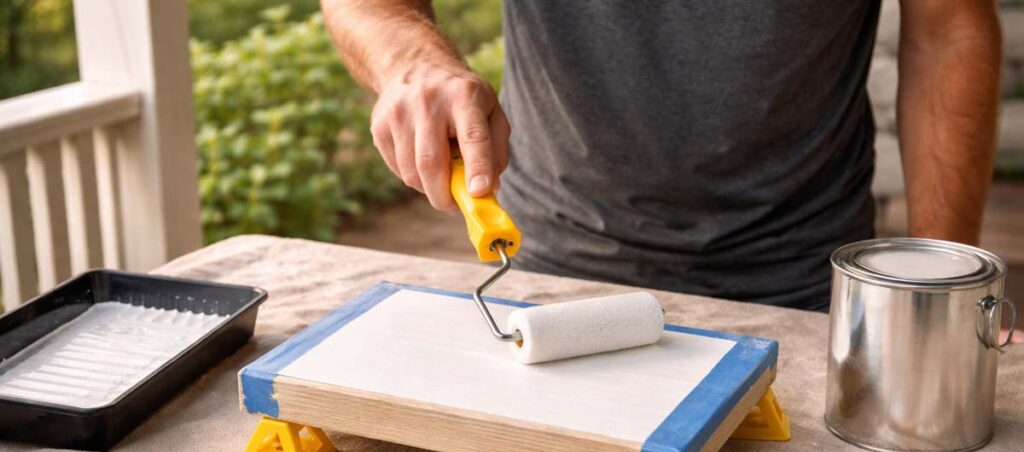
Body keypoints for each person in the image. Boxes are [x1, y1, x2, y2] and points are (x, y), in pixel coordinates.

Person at [321, 1, 1002, 310]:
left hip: (805, 274)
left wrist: (941, 302)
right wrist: (412, 60)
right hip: (554, 266)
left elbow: (946, 30)